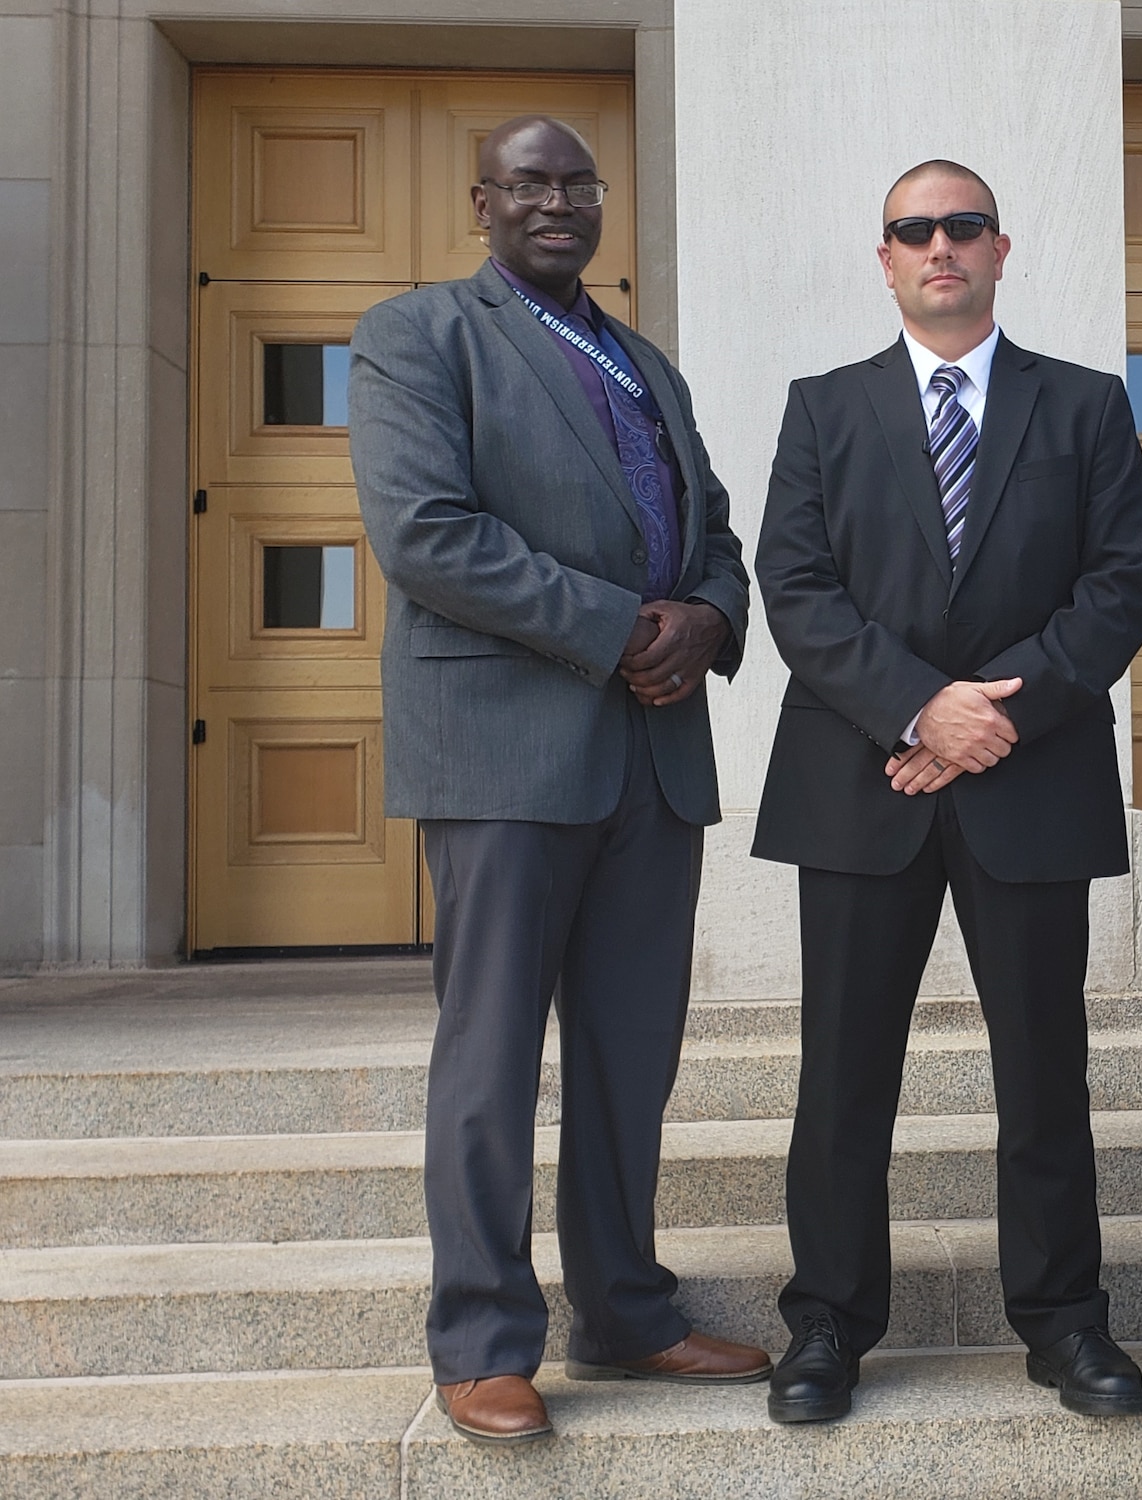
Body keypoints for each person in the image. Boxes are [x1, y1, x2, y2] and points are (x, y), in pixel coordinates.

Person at [348, 115, 769, 1447]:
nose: (557, 203)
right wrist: (621, 630)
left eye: (577, 183)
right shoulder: (418, 337)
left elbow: (713, 531)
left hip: (652, 756)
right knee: (489, 1056)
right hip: (506, 750)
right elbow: (427, 535)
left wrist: (707, 617)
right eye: (528, 184)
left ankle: (629, 1311)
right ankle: (480, 1338)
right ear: (482, 201)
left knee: (627, 1055)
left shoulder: (646, 361)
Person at [752, 159, 1142, 1423]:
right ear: (884, 259)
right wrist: (923, 708)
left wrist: (998, 715)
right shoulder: (822, 409)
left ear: (999, 248)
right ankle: (825, 1323)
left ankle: (1063, 1324)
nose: (940, 246)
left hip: (1028, 785)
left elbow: (1119, 586)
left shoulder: (1086, 407)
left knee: (1045, 1069)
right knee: (842, 1074)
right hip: (860, 779)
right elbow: (796, 588)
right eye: (913, 230)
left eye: (962, 226)